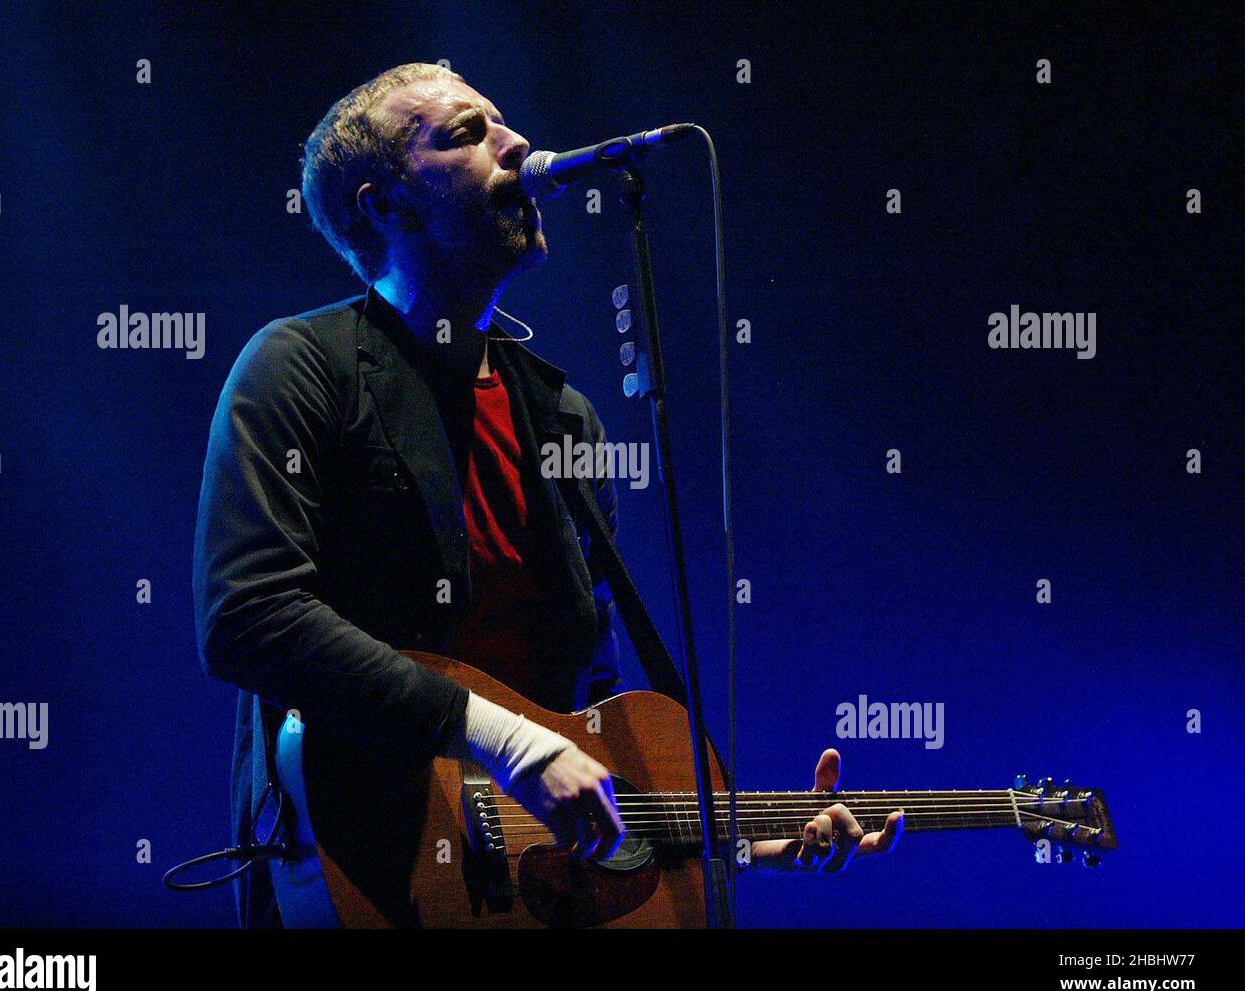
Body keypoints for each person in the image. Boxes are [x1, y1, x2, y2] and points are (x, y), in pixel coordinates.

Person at [192, 62, 901, 929]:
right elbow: (249, 616)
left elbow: (588, 716)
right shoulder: (301, 366)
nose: (518, 143)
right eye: (465, 132)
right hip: (366, 872)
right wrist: (510, 742)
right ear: (384, 204)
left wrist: (747, 844)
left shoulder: (563, 417)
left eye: (505, 122)